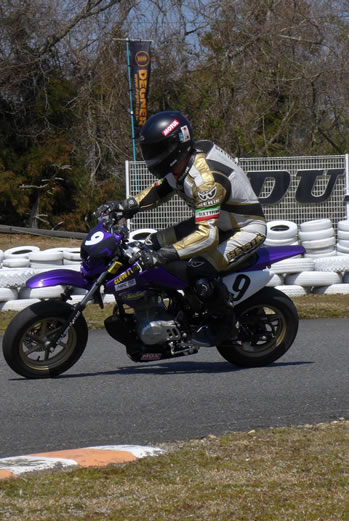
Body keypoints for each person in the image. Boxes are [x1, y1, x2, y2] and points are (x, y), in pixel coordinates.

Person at [99, 110, 267, 347]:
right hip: (217, 222)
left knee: (199, 268)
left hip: (244, 228)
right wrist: (125, 206)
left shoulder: (206, 181)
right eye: (149, 150)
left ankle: (225, 326)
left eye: (157, 149)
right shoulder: (183, 162)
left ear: (176, 145)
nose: (152, 156)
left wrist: (161, 256)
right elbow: (160, 190)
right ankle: (176, 308)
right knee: (150, 243)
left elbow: (206, 237)